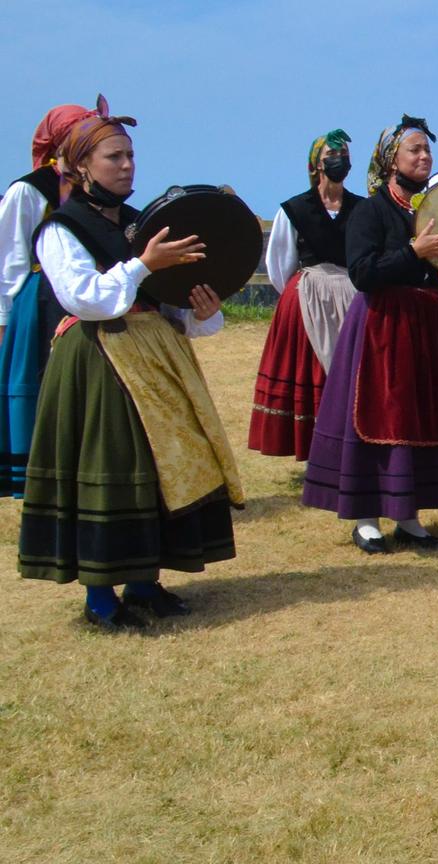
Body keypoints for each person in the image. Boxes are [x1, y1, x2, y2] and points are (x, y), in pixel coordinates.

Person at [17, 104, 243, 629]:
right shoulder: (60, 228)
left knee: (159, 467)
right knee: (113, 468)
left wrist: (198, 310)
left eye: (131, 155)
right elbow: (86, 298)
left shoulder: (146, 224)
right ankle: (100, 596)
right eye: (113, 156)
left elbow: (166, 299)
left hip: (154, 355)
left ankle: (144, 582)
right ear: (79, 165)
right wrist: (144, 264)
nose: (126, 165)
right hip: (99, 360)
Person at [302, 115, 438, 552]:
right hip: (382, 327)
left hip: (430, 327)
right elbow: (363, 273)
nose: (425, 156)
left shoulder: (436, 209)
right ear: (392, 159)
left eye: (428, 150)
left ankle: (409, 515)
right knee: (380, 416)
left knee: (418, 418)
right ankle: (366, 518)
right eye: (416, 149)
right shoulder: (369, 211)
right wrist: (413, 250)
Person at [249, 128, 362, 459]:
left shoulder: (361, 208)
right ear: (316, 164)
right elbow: (279, 265)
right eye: (332, 156)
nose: (339, 161)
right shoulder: (294, 210)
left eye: (344, 156)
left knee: (350, 372)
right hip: (307, 298)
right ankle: (314, 447)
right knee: (312, 371)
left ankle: (351, 444)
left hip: (352, 296)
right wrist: (299, 298)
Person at [0, 100, 91, 497]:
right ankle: (34, 476)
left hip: (82, 297)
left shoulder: (96, 187)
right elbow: (8, 256)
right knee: (36, 380)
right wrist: (5, 319)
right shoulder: (28, 190)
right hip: (37, 302)